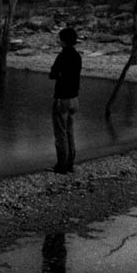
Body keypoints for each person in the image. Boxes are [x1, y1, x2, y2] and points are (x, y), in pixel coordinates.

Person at [49, 27, 81, 174]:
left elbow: (52, 73)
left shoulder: (63, 56)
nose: (58, 40)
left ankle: (61, 166)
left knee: (60, 133)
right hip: (74, 98)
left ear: (63, 40)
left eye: (60, 38)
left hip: (62, 98)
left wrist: (60, 74)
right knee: (70, 132)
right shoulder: (77, 56)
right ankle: (70, 164)